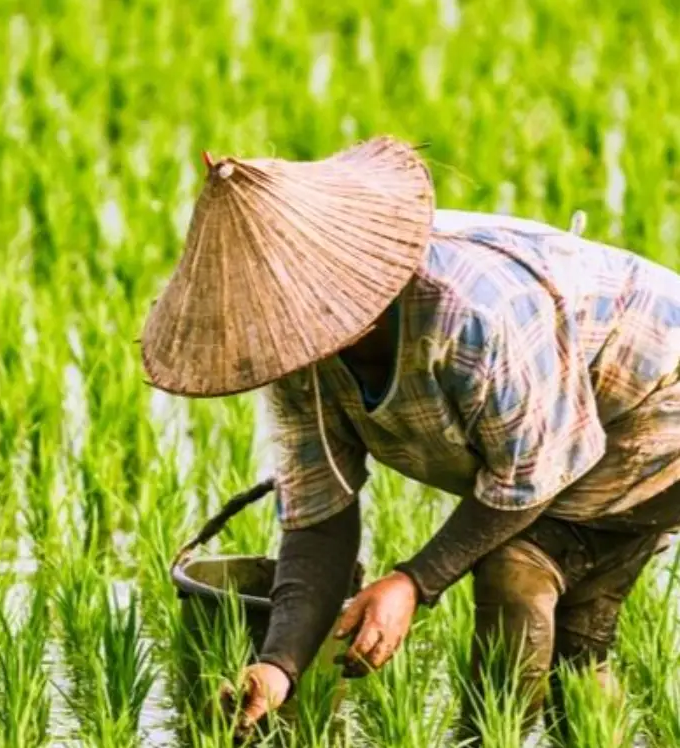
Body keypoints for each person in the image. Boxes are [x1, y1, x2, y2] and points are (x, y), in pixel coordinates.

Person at [140, 136, 680, 741]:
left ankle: (490, 739)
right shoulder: (298, 360)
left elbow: (529, 474)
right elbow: (320, 518)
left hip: (660, 409)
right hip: (575, 431)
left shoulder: (472, 315)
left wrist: (412, 582)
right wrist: (279, 664)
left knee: (518, 568)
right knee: (576, 656)